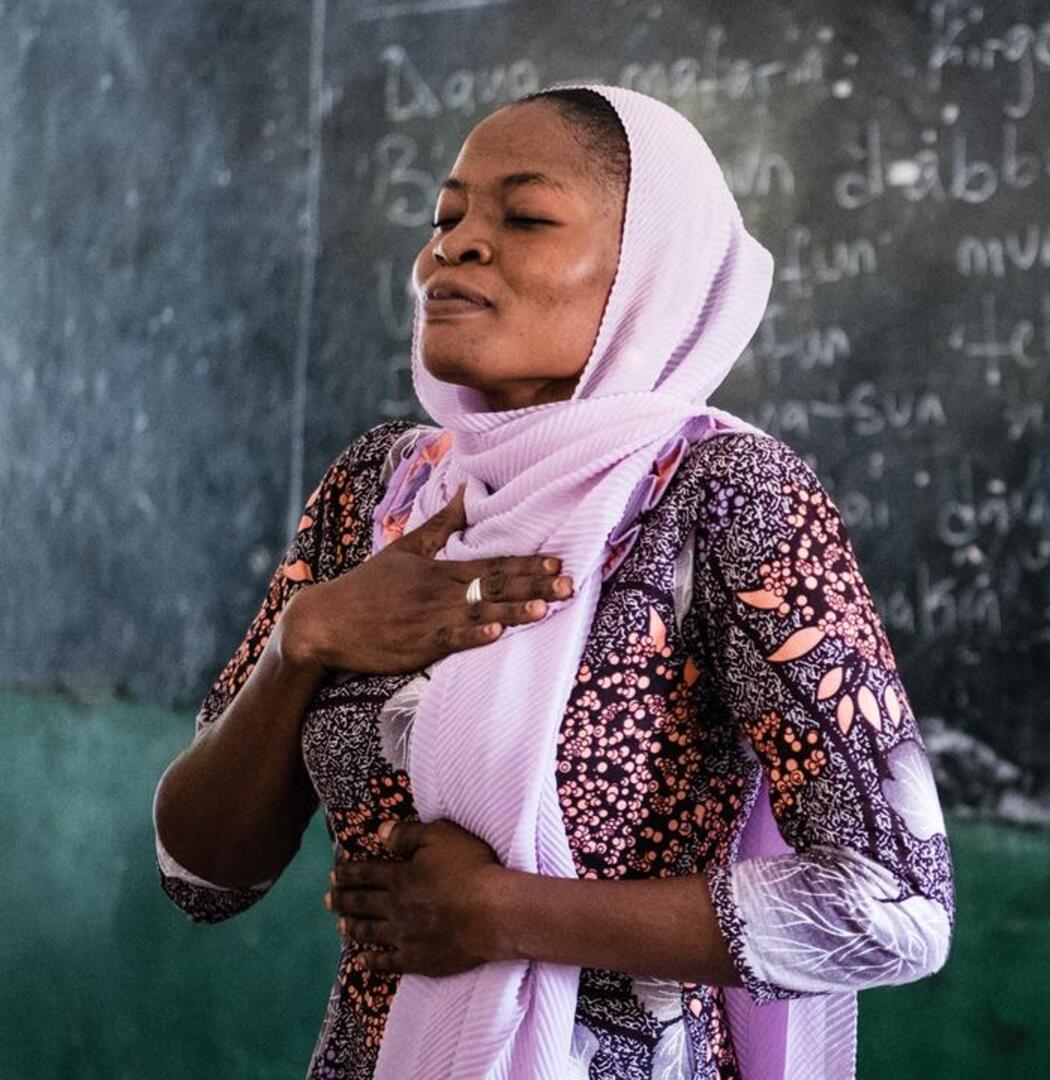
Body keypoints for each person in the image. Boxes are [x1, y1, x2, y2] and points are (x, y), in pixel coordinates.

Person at [151, 84, 953, 1080]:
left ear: (646, 273)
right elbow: (201, 877)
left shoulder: (721, 496)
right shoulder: (382, 492)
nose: (455, 247)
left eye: (524, 217)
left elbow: (895, 906)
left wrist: (504, 914)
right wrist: (300, 642)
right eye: (445, 219)